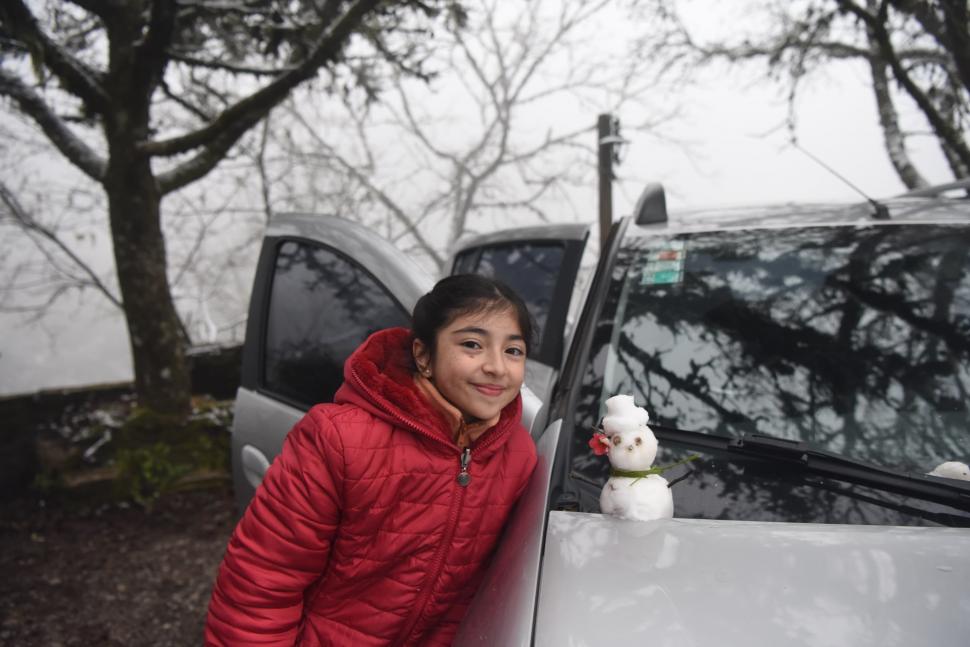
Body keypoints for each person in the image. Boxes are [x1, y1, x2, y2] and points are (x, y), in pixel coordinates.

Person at [204, 274, 538, 646]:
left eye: (513, 350)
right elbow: (262, 582)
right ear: (424, 356)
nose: (497, 367)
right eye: (473, 344)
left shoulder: (519, 455)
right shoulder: (338, 438)